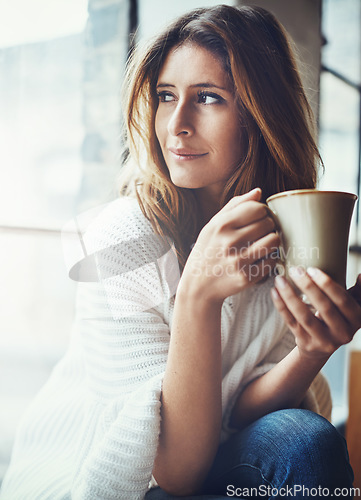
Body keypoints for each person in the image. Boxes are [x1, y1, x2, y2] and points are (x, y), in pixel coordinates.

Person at [1, 4, 360, 500]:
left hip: (215, 450)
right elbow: (174, 472)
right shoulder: (122, 237)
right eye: (166, 96)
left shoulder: (285, 238)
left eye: (208, 98)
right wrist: (198, 291)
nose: (177, 125)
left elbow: (236, 410)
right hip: (121, 476)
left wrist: (313, 349)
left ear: (261, 115)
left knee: (303, 439)